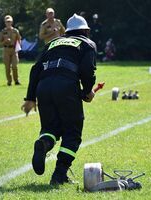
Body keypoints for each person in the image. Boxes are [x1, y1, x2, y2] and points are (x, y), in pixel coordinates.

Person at [21, 14, 97, 185]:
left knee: (50, 127)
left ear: (68, 32)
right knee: (72, 132)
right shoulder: (87, 44)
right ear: (86, 30)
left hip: (44, 86)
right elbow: (87, 70)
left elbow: (35, 70)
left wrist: (30, 98)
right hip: (66, 86)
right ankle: (59, 175)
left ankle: (43, 143)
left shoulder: (52, 43)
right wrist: (87, 91)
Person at [0, 15, 21, 86]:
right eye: (7, 22)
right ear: (5, 23)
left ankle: (16, 80)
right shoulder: (3, 32)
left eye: (10, 22)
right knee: (7, 67)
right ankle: (9, 81)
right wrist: (5, 41)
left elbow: (19, 39)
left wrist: (18, 47)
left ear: (12, 22)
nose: (8, 23)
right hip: (6, 50)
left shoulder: (15, 31)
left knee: (14, 66)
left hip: (14, 50)